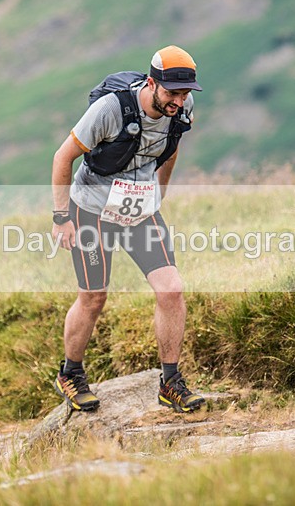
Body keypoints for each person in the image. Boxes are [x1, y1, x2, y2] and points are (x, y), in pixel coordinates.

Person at [50, 45, 205, 413]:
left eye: (185, 94)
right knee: (94, 297)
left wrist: (159, 196)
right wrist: (61, 216)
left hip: (138, 211)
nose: (179, 102)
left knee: (172, 290)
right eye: (171, 93)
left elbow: (170, 149)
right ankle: (70, 374)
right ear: (152, 83)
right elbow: (63, 157)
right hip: (90, 211)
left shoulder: (181, 110)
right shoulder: (110, 110)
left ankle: (170, 383)